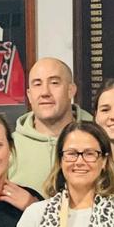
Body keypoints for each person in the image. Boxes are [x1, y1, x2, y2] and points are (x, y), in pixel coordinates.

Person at [10, 57, 92, 193]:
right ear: (29, 95)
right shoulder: (9, 147)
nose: (45, 93)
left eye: (54, 83)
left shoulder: (98, 139)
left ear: (71, 90)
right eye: (37, 84)